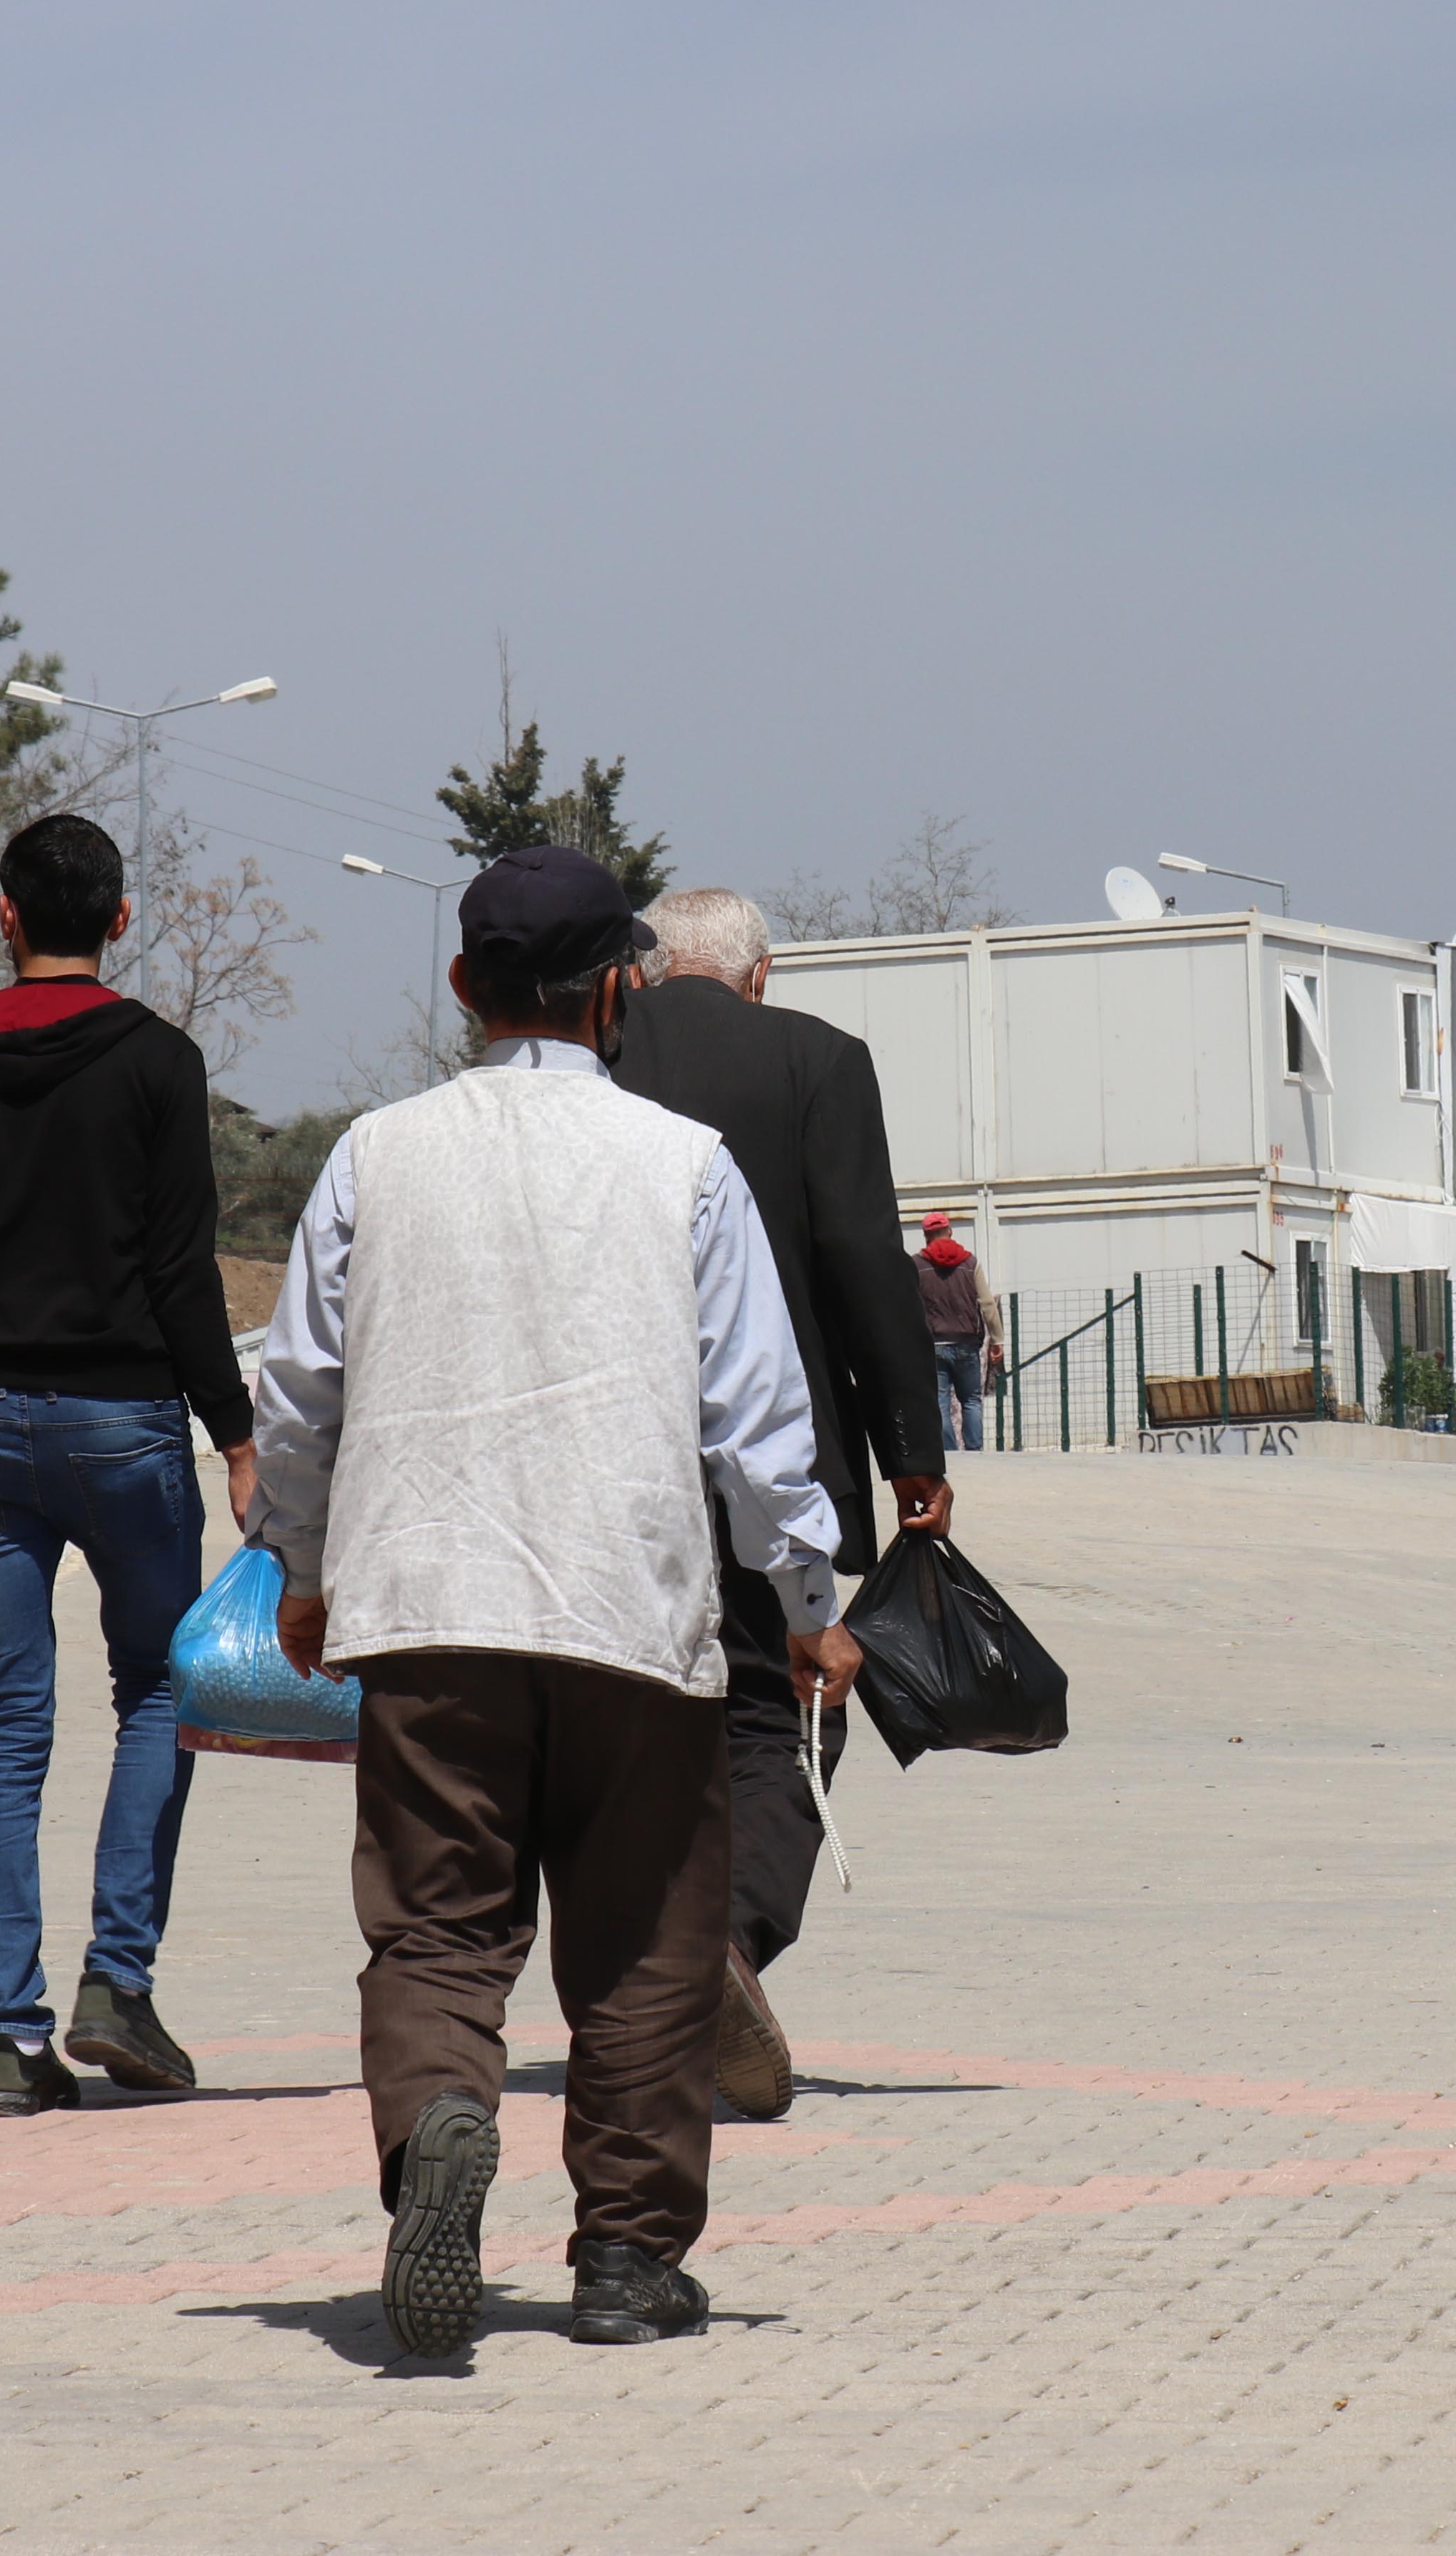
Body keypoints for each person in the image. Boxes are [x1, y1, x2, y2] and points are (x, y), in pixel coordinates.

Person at [250, 846, 850, 2358]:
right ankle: (629, 2259)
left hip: (428, 1601)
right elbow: (758, 1420)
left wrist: (302, 1570)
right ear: (621, 991)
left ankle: (445, 2117)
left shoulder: (372, 1156)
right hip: (628, 1604)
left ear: (462, 987)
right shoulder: (686, 1164)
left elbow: (301, 1393)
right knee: (648, 1932)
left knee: (438, 1924)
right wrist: (806, 1590)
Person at [0, 814, 255, 2121]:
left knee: (14, 1723)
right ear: (121, 920)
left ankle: (7, 2041)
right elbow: (185, 1271)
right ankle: (116, 1983)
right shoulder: (160, 1066)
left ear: (7, 916)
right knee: (159, 1693)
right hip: (128, 1423)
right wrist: (238, 1438)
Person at [608, 886, 951, 2121]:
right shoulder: (819, 1059)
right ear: (761, 974)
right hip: (774, 1446)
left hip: (606, 1455)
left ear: (650, 968)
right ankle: (733, 1940)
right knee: (785, 1708)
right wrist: (915, 1450)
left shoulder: (598, 1050)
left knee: (634, 1720)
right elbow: (866, 1263)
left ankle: (653, 1967)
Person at [915, 1214, 997, 1450]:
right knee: (971, 1401)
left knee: (939, 1403)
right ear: (950, 1232)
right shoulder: (971, 1263)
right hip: (966, 1343)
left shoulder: (916, 1265)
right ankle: (974, 1451)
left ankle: (950, 1454)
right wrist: (997, 1339)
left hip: (933, 1345)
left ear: (926, 1236)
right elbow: (987, 1304)